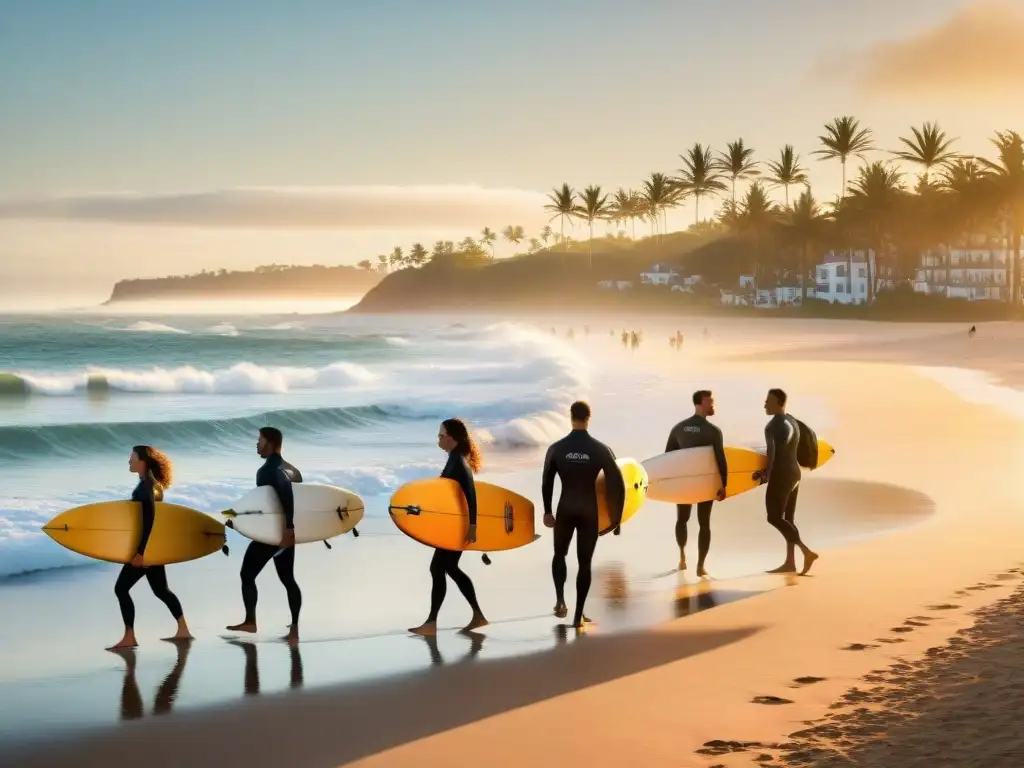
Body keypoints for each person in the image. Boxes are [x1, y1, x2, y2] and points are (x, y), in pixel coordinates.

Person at [541, 400, 625, 629]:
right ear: (589, 417)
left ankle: (560, 600)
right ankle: (578, 616)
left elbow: (547, 480)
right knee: (584, 562)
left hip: (565, 508)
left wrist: (547, 511)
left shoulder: (557, 448)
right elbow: (617, 484)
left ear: (571, 417)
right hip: (589, 511)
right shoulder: (600, 449)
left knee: (560, 554)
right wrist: (616, 518)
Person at [409, 418, 488, 636]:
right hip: (454, 524)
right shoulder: (454, 458)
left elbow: (471, 494)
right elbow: (445, 497)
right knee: (448, 568)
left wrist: (472, 525)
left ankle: (431, 623)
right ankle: (477, 615)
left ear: (452, 438)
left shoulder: (458, 461)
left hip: (458, 527)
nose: (439, 439)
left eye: (441, 435)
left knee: (438, 568)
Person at [109, 445, 192, 649]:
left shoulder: (146, 487)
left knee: (121, 588)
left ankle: (130, 636)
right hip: (155, 548)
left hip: (146, 551)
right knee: (161, 590)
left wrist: (140, 553)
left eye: (132, 457)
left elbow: (149, 520)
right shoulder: (153, 485)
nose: (129, 461)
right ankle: (183, 630)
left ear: (143, 462)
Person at [227, 427, 303, 643]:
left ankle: (250, 621)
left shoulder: (268, 470)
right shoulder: (294, 470)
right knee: (288, 579)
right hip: (287, 533)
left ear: (269, 443)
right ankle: (295, 627)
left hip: (274, 534)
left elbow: (282, 494)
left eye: (259, 440)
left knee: (247, 575)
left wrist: (287, 528)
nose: (257, 444)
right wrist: (241, 521)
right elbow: (274, 503)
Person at [754, 389, 818, 575]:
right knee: (788, 519)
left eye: (769, 401)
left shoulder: (772, 426)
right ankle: (790, 563)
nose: (765, 404)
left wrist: (766, 474)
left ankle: (806, 552)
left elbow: (772, 455)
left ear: (779, 403)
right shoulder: (792, 421)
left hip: (781, 476)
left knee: (773, 517)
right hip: (795, 474)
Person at [664, 390, 727, 576]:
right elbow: (720, 460)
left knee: (682, 519)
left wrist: (669, 484)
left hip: (684, 483)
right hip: (705, 482)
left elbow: (667, 458)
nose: (713, 405)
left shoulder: (679, 428)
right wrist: (724, 484)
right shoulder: (713, 431)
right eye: (710, 402)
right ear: (699, 404)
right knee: (704, 523)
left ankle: (682, 557)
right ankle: (700, 566)